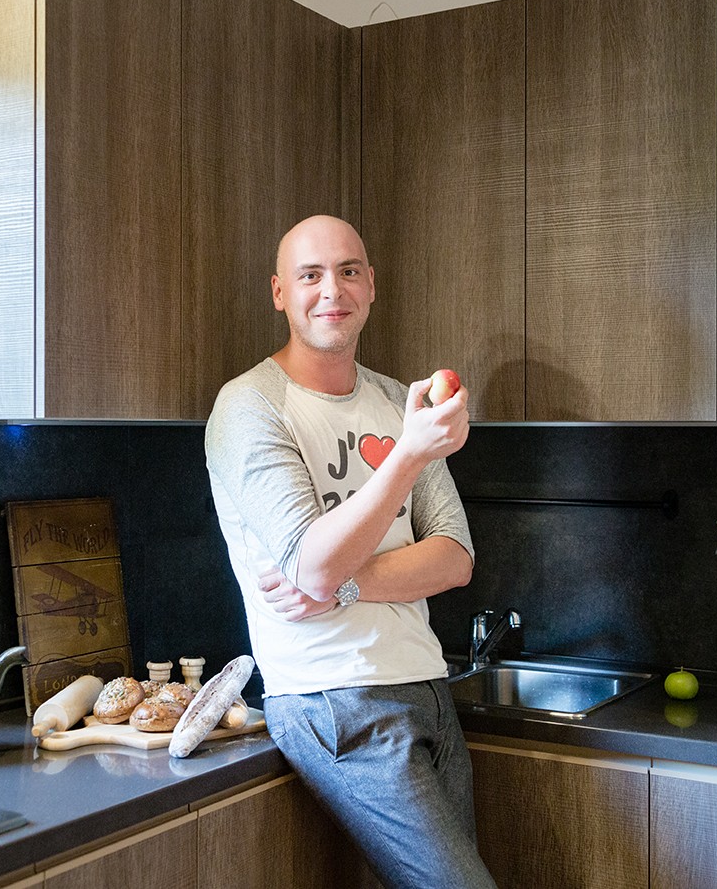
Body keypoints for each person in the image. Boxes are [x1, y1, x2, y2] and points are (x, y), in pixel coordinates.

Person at [204, 214, 497, 889]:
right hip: (334, 697)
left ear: (371, 286)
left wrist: (344, 583)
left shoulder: (397, 400)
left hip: (427, 684)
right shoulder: (249, 407)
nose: (331, 290)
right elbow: (311, 561)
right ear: (280, 292)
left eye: (348, 271)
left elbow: (455, 555)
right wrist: (410, 453)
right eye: (310, 275)